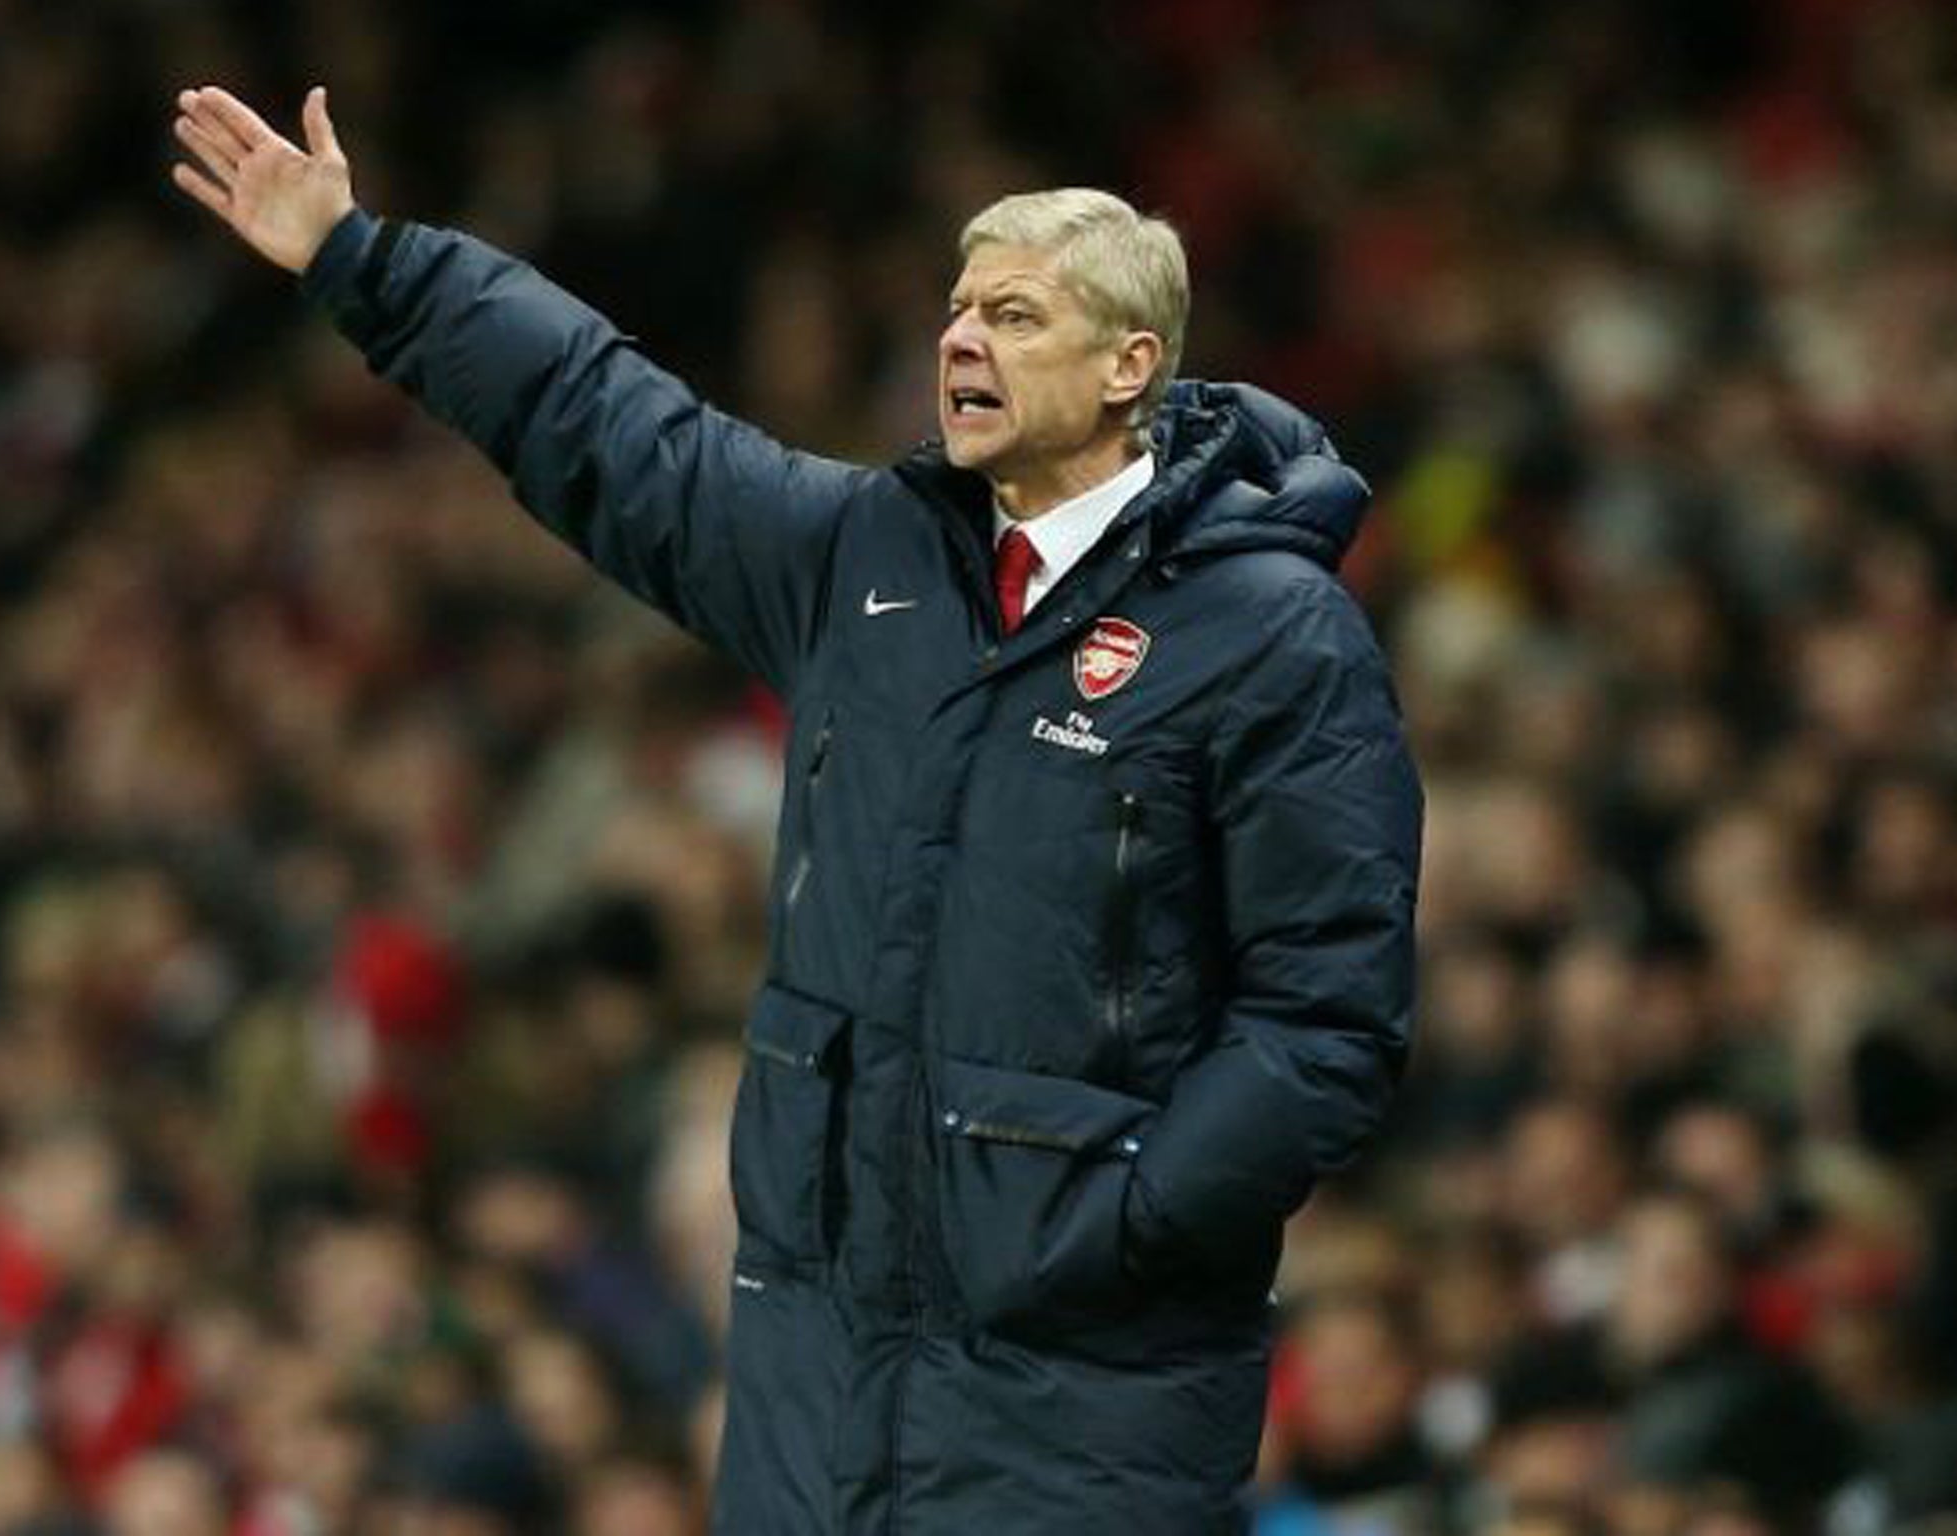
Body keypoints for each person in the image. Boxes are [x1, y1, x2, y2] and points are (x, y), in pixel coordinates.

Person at [169, 82, 1423, 1536]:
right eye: (960, 309)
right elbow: (611, 428)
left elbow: (1327, 1017)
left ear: (1131, 363)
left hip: (1085, 1383)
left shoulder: (1268, 633)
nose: (962, 337)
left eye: (1016, 316)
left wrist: (1117, 1224)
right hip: (816, 1357)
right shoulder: (867, 563)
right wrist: (364, 260)